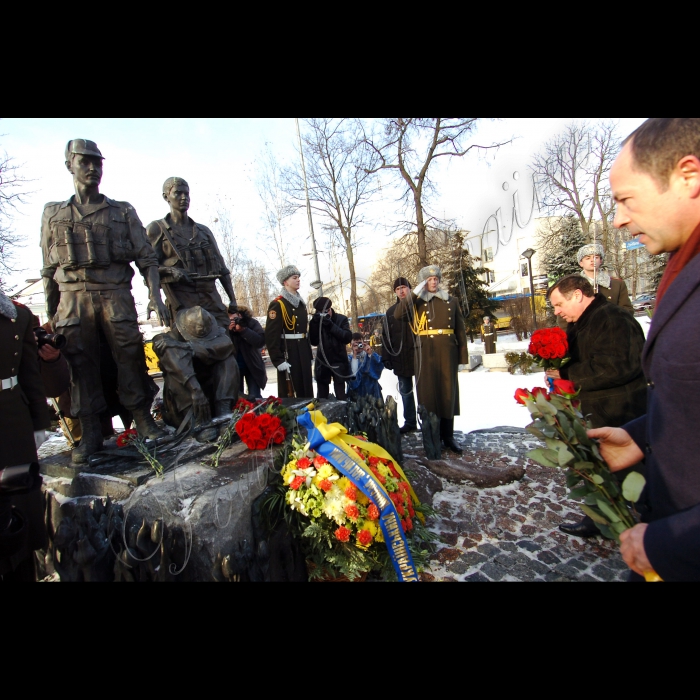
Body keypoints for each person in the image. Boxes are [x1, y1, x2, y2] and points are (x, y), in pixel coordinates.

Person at [587, 118, 700, 581]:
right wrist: (641, 433)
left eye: (625, 199)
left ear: (688, 176)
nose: (617, 219)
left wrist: (672, 545)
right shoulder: (682, 262)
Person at [40, 139, 168, 463]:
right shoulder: (53, 213)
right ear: (69, 164)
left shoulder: (122, 211)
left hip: (115, 293)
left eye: (97, 162)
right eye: (84, 162)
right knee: (80, 366)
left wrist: (156, 294)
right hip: (72, 298)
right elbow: (47, 268)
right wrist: (52, 312)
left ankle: (142, 419)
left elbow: (147, 258)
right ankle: (91, 432)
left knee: (129, 355)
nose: (92, 168)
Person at [546, 274, 647, 538]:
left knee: (630, 475)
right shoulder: (585, 321)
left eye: (558, 304)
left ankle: (649, 529)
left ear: (577, 295)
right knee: (600, 469)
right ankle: (600, 520)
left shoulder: (613, 319)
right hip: (599, 409)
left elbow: (616, 366)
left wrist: (567, 374)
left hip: (621, 411)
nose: (557, 311)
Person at [0, 292, 51, 581]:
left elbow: (29, 372)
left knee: (20, 515)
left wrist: (38, 423)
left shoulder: (17, 315)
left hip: (13, 425)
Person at [395, 265, 468, 454]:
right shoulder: (416, 302)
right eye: (429, 280)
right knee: (428, 395)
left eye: (436, 279)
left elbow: (460, 329)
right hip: (425, 352)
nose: (433, 282)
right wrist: (414, 293)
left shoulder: (452, 301)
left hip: (447, 351)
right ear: (423, 283)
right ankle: (431, 435)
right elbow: (398, 314)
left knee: (447, 393)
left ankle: (448, 435)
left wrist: (462, 357)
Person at [146, 177, 235, 330]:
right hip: (182, 297)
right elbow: (148, 267)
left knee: (223, 341)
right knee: (191, 347)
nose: (183, 198)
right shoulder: (157, 229)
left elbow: (222, 268)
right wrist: (169, 271)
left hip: (210, 296)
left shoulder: (203, 231)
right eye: (178, 193)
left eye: (186, 194)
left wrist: (232, 299)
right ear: (166, 197)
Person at [152, 306, 239, 433]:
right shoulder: (164, 340)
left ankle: (223, 411)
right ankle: (197, 421)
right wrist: (196, 390)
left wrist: (189, 346)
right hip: (185, 403)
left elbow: (226, 344)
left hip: (210, 396)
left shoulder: (216, 333)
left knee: (227, 359)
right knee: (176, 370)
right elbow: (175, 362)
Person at [265, 265, 314, 399]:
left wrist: (308, 354)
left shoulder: (301, 303)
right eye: (294, 278)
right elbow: (271, 335)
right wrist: (278, 360)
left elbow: (304, 333)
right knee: (292, 391)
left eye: (298, 277)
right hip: (289, 352)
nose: (298, 280)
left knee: (306, 388)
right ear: (285, 282)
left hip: (302, 350)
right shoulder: (278, 304)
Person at [381, 277, 417, 433]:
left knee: (424, 393)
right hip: (400, 358)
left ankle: (428, 420)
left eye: (404, 287)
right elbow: (386, 337)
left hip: (419, 357)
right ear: (395, 292)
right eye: (398, 289)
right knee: (406, 392)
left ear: (409, 289)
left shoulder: (419, 308)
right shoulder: (390, 313)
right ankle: (410, 422)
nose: (402, 291)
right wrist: (387, 357)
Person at [308, 297, 352, 401]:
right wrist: (314, 324)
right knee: (322, 397)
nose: (326, 314)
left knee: (341, 396)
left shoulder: (341, 319)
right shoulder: (316, 321)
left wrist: (331, 325)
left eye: (327, 311)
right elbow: (313, 341)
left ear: (330, 309)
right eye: (322, 312)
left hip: (339, 361)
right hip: (323, 362)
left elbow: (347, 337)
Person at [577, 243, 634, 312]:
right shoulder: (573, 285)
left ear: (600, 261)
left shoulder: (617, 284)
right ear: (581, 263)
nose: (592, 260)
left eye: (596, 257)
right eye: (588, 258)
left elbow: (627, 310)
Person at [228, 303, 267, 400]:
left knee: (255, 397)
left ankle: (256, 414)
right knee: (237, 398)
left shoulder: (251, 323)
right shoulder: (224, 325)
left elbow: (260, 341)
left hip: (252, 365)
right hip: (233, 368)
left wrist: (244, 330)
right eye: (230, 319)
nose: (233, 321)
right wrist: (228, 331)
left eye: (235, 318)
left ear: (240, 315)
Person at [347, 333, 383, 399]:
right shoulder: (349, 359)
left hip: (371, 390)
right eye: (355, 343)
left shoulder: (369, 355)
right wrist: (354, 356)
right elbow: (352, 376)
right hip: (356, 393)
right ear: (350, 345)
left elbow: (379, 364)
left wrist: (370, 354)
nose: (358, 346)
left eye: (360, 343)